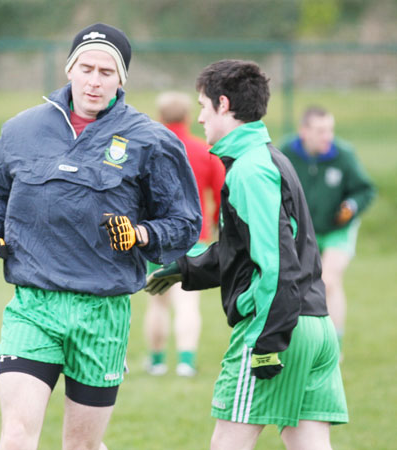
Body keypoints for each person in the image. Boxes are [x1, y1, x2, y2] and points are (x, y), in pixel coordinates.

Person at [0, 22, 201, 450]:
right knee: (17, 436)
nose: (94, 81)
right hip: (33, 306)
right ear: (69, 69)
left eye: (106, 72)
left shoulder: (151, 140)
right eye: (86, 68)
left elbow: (185, 222)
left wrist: (140, 233)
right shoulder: (21, 130)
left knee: (81, 446)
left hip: (103, 313)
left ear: (121, 80)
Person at [146, 60, 348, 450]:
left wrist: (267, 341)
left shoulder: (250, 171)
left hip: (278, 327)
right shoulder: (268, 158)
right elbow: (245, 249)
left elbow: (276, 263)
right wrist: (186, 267)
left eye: (203, 106)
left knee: (227, 442)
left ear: (223, 104)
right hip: (315, 326)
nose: (200, 117)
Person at [280, 106, 375, 351]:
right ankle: (303, 343)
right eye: (321, 131)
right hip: (302, 231)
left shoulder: (343, 155)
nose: (327, 136)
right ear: (304, 131)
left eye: (330, 130)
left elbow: (365, 189)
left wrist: (352, 205)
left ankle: (332, 346)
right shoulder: (286, 152)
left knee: (328, 280)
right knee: (298, 284)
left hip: (337, 230)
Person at [144, 91, 225, 377]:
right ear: (189, 117)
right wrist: (216, 224)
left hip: (156, 238)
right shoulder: (204, 150)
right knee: (187, 301)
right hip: (194, 236)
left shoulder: (149, 148)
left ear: (160, 117)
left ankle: (156, 361)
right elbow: (220, 193)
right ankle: (185, 362)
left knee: (158, 300)